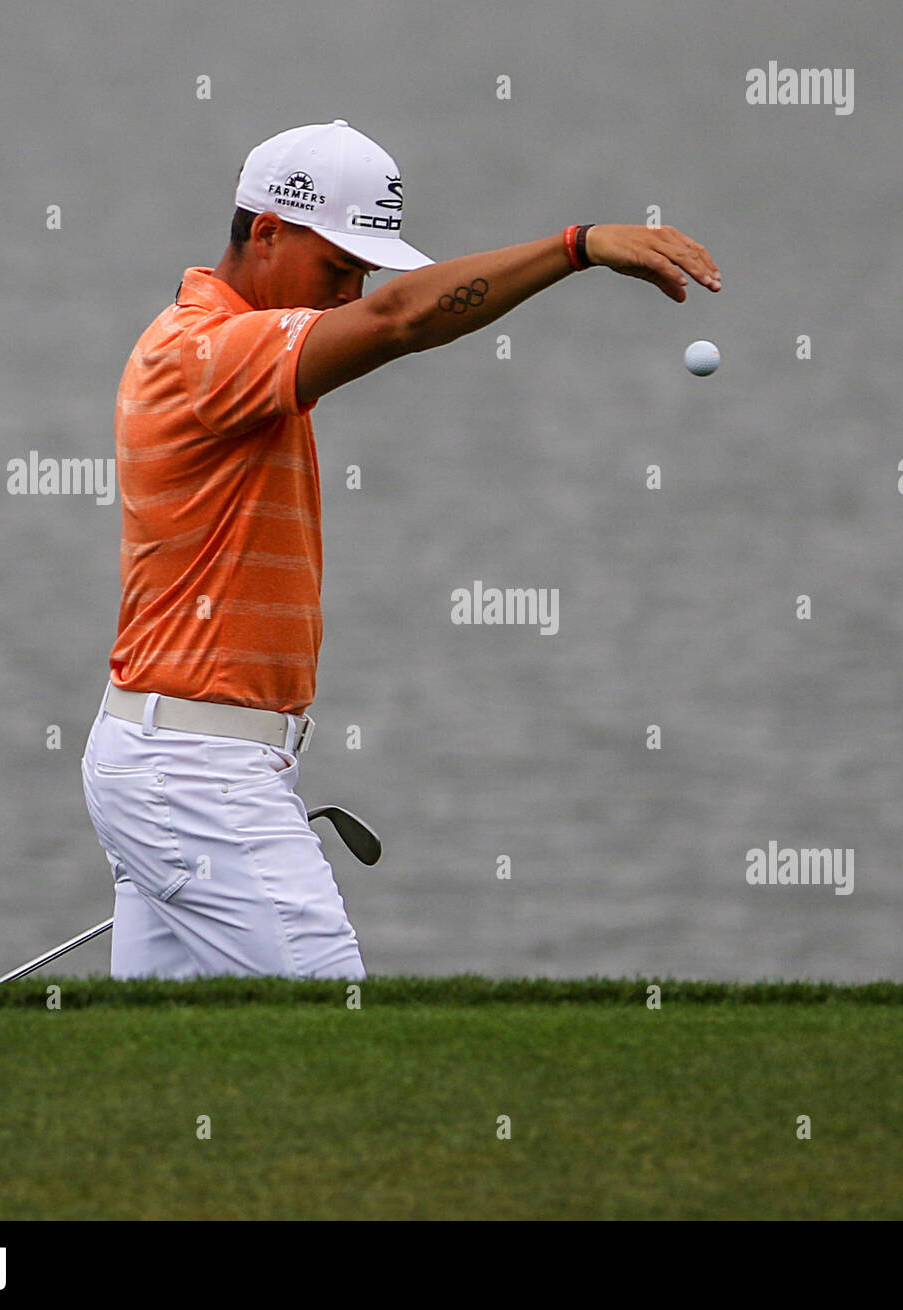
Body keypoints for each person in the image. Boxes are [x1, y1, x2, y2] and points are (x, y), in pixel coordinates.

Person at [81, 119, 721, 980]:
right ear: (266, 233)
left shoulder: (224, 350)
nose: (349, 292)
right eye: (337, 267)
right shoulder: (203, 353)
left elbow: (385, 310)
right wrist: (579, 247)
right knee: (329, 1022)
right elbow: (398, 319)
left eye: (362, 272)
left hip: (188, 761)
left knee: (185, 1065)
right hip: (194, 773)